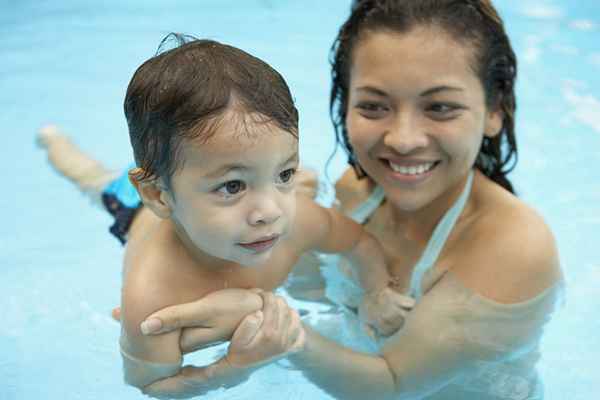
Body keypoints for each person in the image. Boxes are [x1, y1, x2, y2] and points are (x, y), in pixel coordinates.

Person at [133, 1, 565, 399]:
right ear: (344, 107)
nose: (403, 139)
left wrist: (280, 329)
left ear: (495, 109)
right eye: (375, 107)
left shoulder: (514, 247)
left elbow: (392, 385)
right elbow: (314, 291)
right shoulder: (358, 193)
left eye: (440, 108)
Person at [37, 35, 416, 394]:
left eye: (284, 173)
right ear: (158, 194)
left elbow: (359, 242)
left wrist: (377, 292)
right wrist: (234, 368)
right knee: (89, 177)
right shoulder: (154, 299)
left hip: (176, 182)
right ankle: (55, 142)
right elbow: (151, 385)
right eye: (232, 187)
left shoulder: (297, 219)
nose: (269, 212)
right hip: (133, 210)